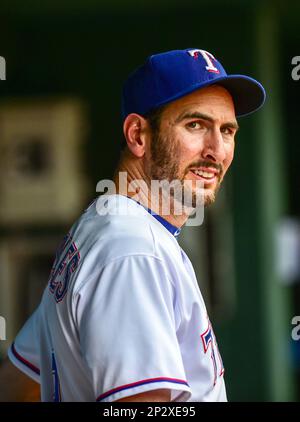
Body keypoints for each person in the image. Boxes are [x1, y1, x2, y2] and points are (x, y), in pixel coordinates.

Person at [0, 48, 265, 402]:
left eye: (227, 130)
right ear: (138, 135)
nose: (217, 150)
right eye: (195, 125)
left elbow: (17, 382)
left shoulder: (101, 225)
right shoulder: (134, 251)